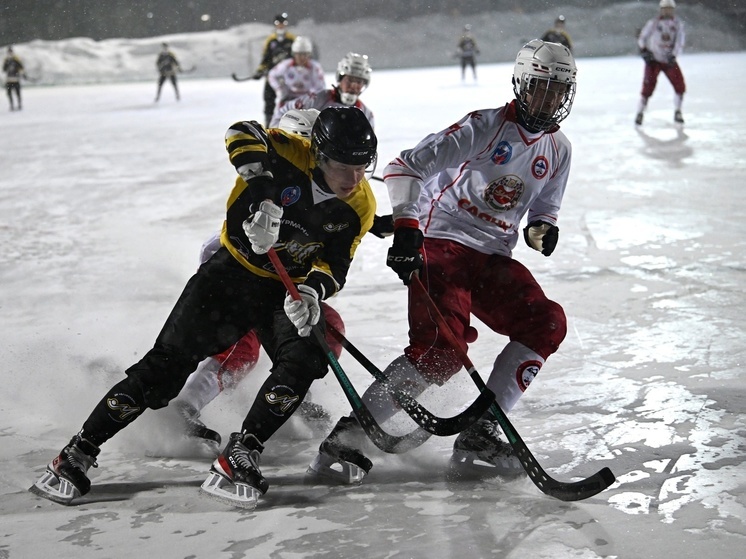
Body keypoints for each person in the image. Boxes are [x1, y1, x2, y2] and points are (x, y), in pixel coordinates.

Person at [30, 106, 379, 508]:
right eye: (343, 166)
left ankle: (240, 454)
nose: (353, 179)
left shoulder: (360, 204)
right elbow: (240, 131)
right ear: (318, 153)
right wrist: (265, 197)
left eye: (362, 167)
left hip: (281, 289)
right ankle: (76, 453)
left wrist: (315, 291)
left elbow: (335, 263)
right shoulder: (287, 152)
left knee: (304, 359)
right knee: (164, 368)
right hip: (229, 278)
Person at [308, 39, 577, 483]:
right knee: (440, 353)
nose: (548, 100)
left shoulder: (559, 149)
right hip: (442, 243)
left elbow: (543, 210)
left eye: (557, 91)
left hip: (492, 256)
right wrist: (409, 230)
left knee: (546, 321)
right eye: (540, 88)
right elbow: (402, 168)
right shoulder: (484, 127)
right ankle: (348, 438)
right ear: (521, 85)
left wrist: (541, 229)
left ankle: (481, 430)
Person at [271, 52, 374, 128]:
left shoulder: (366, 115)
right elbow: (283, 113)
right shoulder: (317, 99)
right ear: (340, 78)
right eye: (350, 79)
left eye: (359, 82)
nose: (353, 86)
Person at [635, 0, 686, 125]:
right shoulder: (653, 23)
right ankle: (640, 113)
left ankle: (678, 111)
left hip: (668, 60)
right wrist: (644, 51)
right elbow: (642, 37)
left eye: (669, 9)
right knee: (647, 87)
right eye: (664, 8)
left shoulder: (678, 24)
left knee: (680, 85)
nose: (667, 11)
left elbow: (680, 41)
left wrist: (673, 55)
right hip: (654, 60)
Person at [250, 13, 296, 127]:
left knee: (290, 100)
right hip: (272, 76)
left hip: (288, 77)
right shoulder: (270, 40)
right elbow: (265, 58)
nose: (280, 26)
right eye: (278, 23)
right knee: (269, 99)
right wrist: (260, 70)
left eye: (283, 23)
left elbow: (298, 58)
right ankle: (268, 123)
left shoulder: (292, 39)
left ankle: (292, 123)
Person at [267, 37, 325, 125]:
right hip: (287, 101)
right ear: (294, 54)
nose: (302, 57)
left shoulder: (315, 67)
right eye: (299, 54)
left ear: (309, 54)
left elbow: (320, 87)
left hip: (306, 103)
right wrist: (279, 89)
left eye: (305, 54)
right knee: (277, 127)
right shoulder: (286, 65)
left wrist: (311, 97)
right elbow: (272, 75)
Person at [3, 46, 26, 111]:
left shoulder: (15, 59)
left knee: (17, 93)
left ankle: (19, 105)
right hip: (9, 80)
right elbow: (4, 69)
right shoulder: (6, 60)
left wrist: (22, 74)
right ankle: (12, 105)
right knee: (10, 93)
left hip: (15, 79)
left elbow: (21, 67)